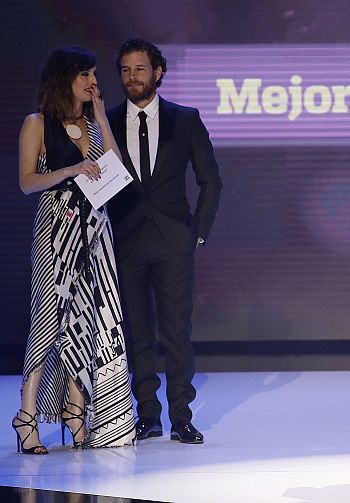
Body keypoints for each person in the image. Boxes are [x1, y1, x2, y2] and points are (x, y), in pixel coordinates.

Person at [13, 46, 136, 454]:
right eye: (86, 75)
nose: (93, 81)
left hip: (96, 232)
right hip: (56, 230)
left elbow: (117, 170)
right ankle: (26, 417)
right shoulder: (37, 123)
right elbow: (27, 182)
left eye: (95, 75)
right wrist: (69, 169)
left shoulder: (92, 123)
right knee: (48, 321)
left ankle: (75, 411)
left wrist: (101, 117)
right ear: (66, 78)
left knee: (89, 322)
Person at [107, 39, 222, 444]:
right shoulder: (106, 121)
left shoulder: (184, 119)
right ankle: (147, 417)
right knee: (137, 333)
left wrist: (198, 231)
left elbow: (211, 180)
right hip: (127, 241)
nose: (131, 77)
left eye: (139, 69)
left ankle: (181, 418)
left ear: (157, 72)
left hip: (175, 241)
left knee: (176, 333)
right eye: (124, 70)